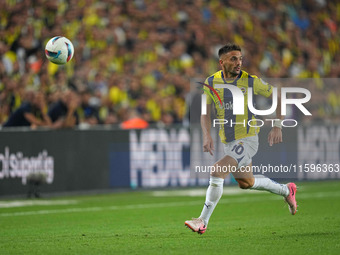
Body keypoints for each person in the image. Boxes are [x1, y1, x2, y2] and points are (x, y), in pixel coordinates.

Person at [185, 43, 297, 235]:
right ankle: (287, 190)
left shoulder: (250, 81)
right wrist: (206, 134)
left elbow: (279, 97)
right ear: (222, 62)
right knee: (247, 182)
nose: (239, 62)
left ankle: (202, 221)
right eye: (233, 59)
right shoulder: (211, 82)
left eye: (240, 58)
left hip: (248, 139)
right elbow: (206, 112)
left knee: (217, 171)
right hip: (228, 142)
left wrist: (278, 125)